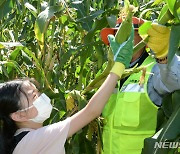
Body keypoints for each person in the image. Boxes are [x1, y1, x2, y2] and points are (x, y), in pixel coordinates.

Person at [0, 25, 135, 153]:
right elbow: (91, 112)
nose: (41, 97)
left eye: (38, 91)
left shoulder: (19, 139)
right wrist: (119, 66)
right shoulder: (36, 139)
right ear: (18, 115)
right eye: (34, 96)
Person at [100, 17, 180, 154]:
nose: (121, 39)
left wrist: (164, 56)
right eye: (118, 34)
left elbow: (175, 80)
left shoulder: (154, 70)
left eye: (128, 33)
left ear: (144, 38)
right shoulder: (108, 72)